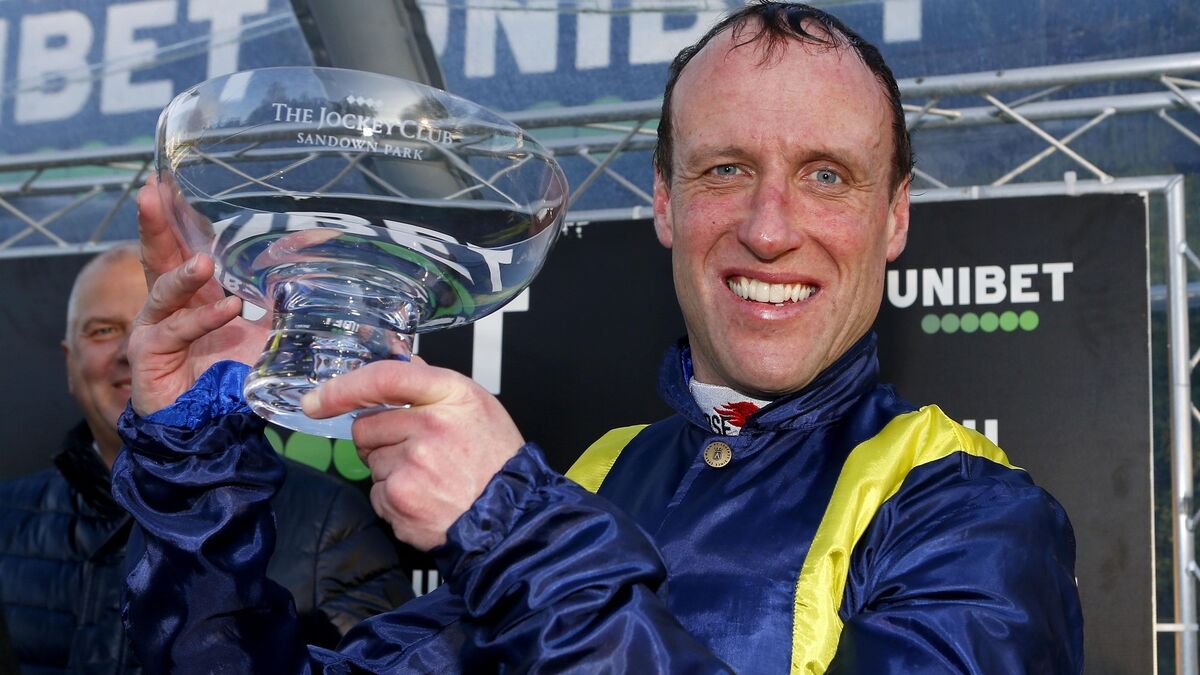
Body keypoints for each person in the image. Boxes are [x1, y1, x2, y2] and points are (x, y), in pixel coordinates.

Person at [113, 2, 1084, 672]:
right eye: (725, 169)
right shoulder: (594, 477)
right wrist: (195, 469)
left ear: (895, 216)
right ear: (664, 201)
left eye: (827, 175)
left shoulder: (973, 516)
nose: (770, 228)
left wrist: (519, 531)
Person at [0, 245, 414, 674]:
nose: (133, 348)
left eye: (162, 323)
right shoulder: (6, 516)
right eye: (103, 330)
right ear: (69, 362)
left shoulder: (329, 519)